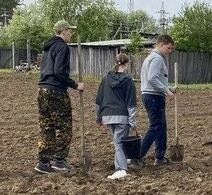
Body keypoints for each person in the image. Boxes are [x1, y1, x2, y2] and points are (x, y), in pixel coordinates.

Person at [35, 20, 84, 174]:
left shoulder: (48, 48)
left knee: (46, 126)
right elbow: (59, 72)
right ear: (63, 31)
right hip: (56, 90)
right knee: (64, 126)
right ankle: (59, 160)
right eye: (70, 30)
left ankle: (43, 162)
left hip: (43, 89)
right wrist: (75, 85)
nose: (71, 33)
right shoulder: (62, 47)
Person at [94, 53, 138, 181]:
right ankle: (121, 169)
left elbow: (99, 99)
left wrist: (99, 117)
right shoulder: (128, 81)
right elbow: (131, 103)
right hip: (122, 116)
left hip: (108, 115)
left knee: (117, 141)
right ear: (127, 64)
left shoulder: (106, 78)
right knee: (119, 142)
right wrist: (133, 122)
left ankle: (123, 160)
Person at [137, 34, 176, 165]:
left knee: (161, 126)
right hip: (153, 96)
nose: (169, 51)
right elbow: (152, 79)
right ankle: (137, 155)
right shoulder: (157, 59)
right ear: (161, 44)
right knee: (156, 126)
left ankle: (160, 156)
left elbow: (156, 79)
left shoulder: (151, 58)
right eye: (168, 48)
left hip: (152, 95)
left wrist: (170, 88)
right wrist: (166, 91)